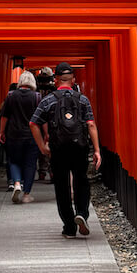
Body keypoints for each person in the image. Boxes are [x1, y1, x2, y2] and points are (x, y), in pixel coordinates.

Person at [30, 62, 101, 237]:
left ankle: (69, 227)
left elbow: (33, 123)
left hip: (58, 149)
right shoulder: (82, 99)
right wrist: (97, 150)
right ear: (73, 79)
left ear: (56, 80)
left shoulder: (49, 100)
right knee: (81, 181)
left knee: (61, 186)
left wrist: (42, 147)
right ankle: (82, 214)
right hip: (79, 147)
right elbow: (91, 124)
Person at [0, 71, 41, 203]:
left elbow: (4, 116)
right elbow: (41, 119)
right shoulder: (36, 96)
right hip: (32, 135)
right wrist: (46, 134)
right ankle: (27, 194)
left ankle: (16, 183)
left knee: (14, 160)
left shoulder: (11, 96)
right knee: (30, 163)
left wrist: (1, 132)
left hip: (13, 134)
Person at [35, 66, 55, 181]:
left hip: (39, 121)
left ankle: (42, 171)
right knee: (53, 146)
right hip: (52, 122)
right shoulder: (53, 90)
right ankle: (52, 171)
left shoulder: (37, 90)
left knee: (41, 147)